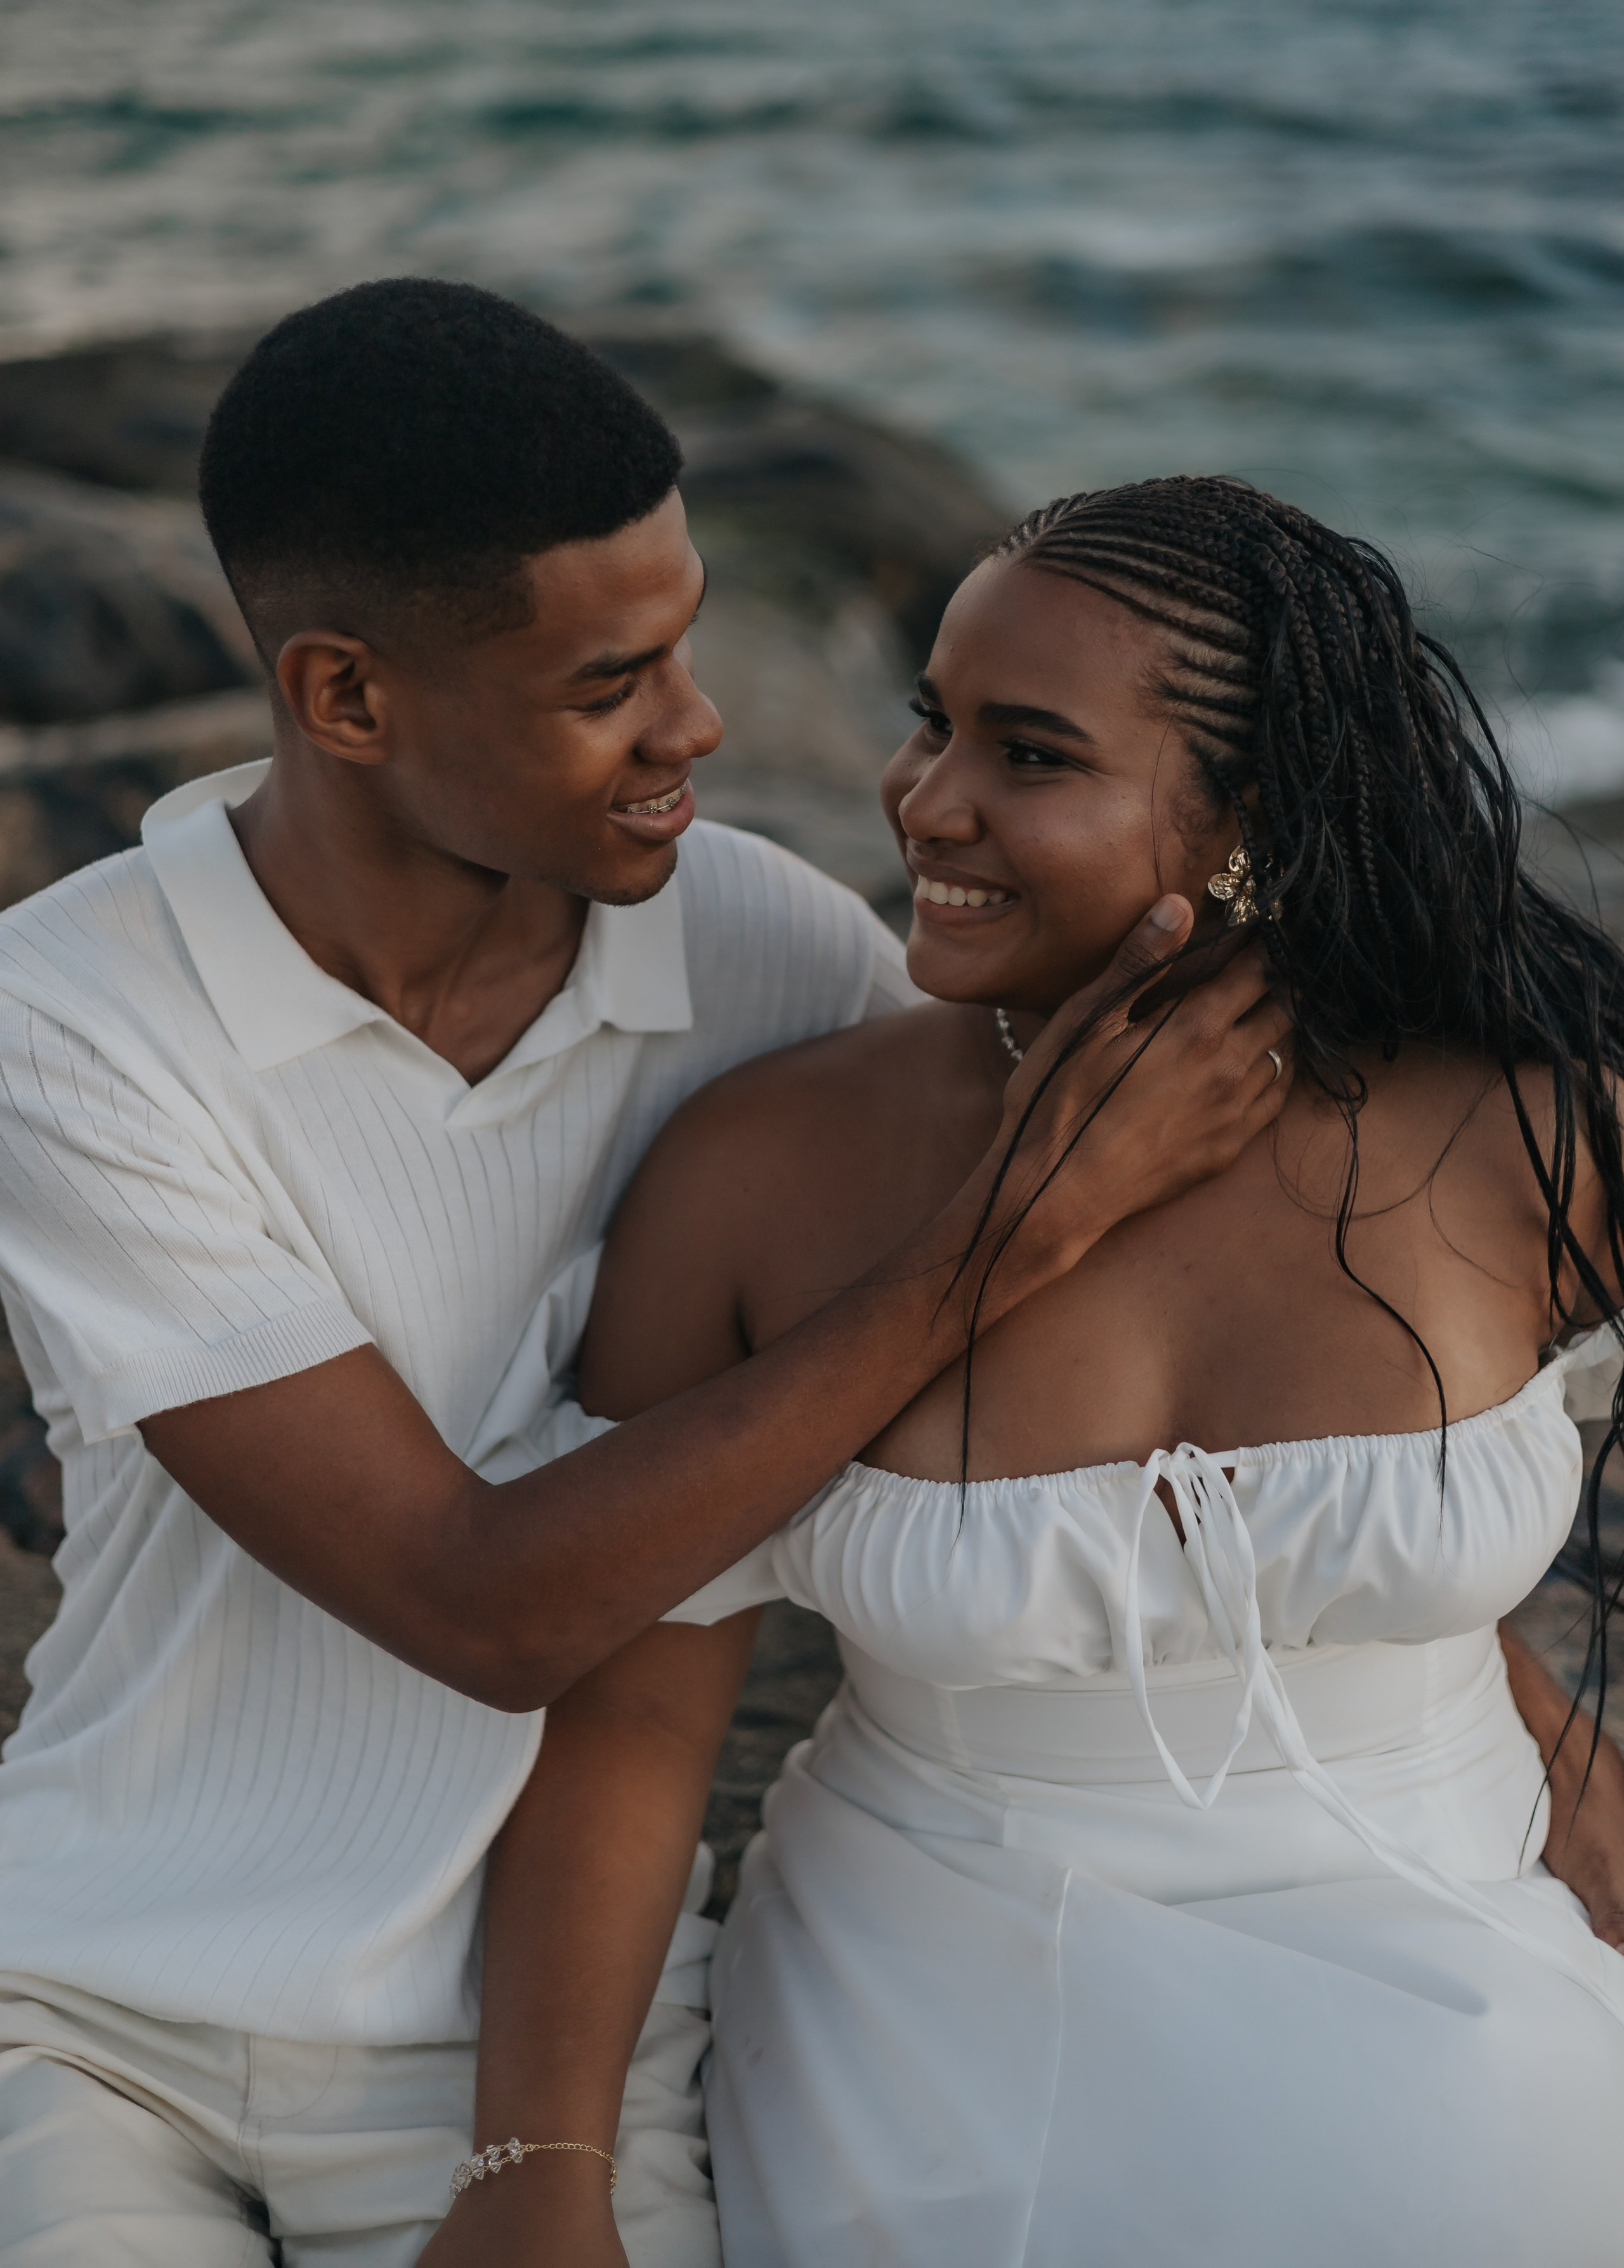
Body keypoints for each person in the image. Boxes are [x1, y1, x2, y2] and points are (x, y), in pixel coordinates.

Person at [0, 287, 1290, 2268]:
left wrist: (1522, 1726)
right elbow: (480, 1604)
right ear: (347, 700)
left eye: (687, 644)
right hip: (99, 2008)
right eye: (612, 682)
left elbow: (1223, 1316)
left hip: (558, 2050)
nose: (698, 727)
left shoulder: (769, 951)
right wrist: (999, 1239)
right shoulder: (74, 1019)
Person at [444, 476, 1624, 2268]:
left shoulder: (1526, 1131)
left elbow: (1314, 1579)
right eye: (930, 721)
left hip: (1471, 1905)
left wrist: (1579, 1766)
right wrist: (540, 2165)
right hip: (951, 1988)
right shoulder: (761, 1173)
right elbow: (632, 1727)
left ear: (1251, 818)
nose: (926, 799)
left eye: (1032, 754)